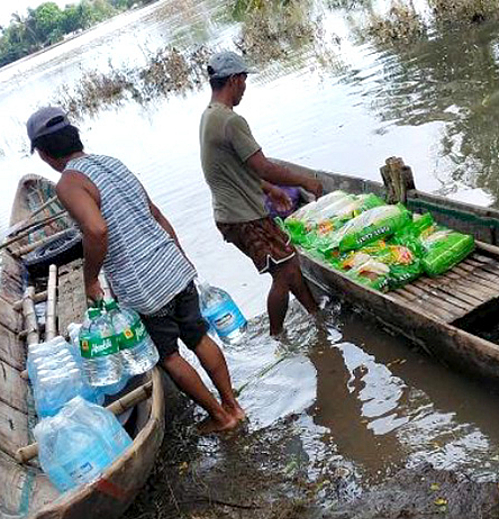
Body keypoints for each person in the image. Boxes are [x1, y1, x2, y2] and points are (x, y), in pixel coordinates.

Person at [26, 106, 244, 433]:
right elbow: (154, 212)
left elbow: (96, 231)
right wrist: (180, 257)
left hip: (143, 285)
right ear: (74, 136)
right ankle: (234, 406)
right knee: (198, 337)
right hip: (172, 266)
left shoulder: (69, 184)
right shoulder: (112, 162)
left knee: (169, 356)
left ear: (44, 154)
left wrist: (89, 280)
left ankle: (221, 417)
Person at [199, 51, 324, 336]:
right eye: (244, 81)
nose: (245, 88)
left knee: (289, 265)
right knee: (283, 273)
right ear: (234, 80)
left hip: (232, 213)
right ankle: (277, 336)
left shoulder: (209, 117)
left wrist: (268, 190)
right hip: (243, 216)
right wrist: (306, 181)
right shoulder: (231, 121)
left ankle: (316, 318)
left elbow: (229, 169)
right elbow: (263, 166)